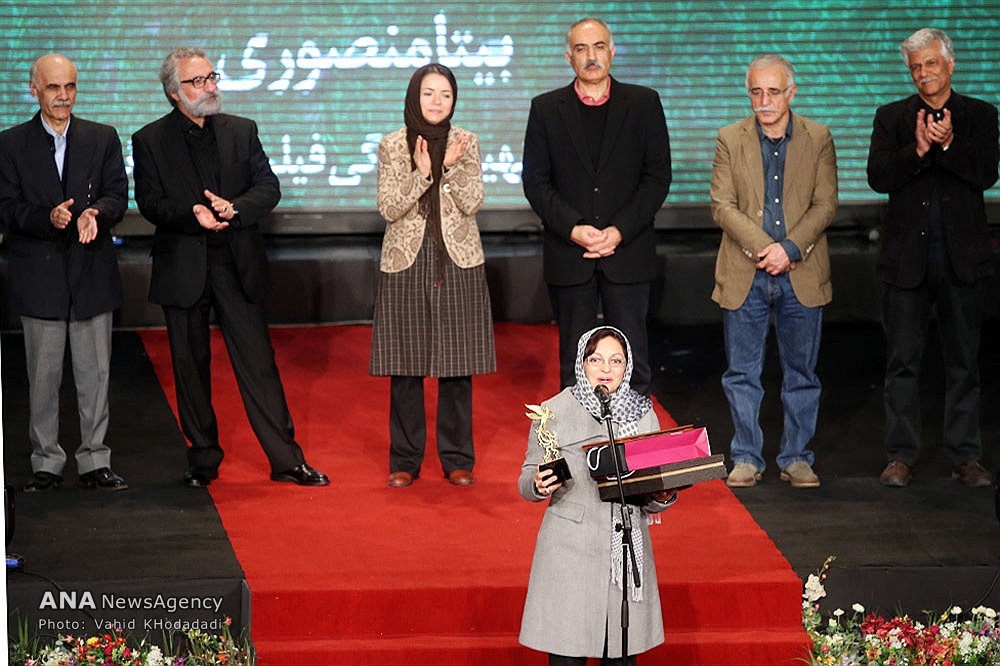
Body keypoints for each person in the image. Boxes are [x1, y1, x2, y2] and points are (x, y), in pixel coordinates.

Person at [131, 47, 328, 488]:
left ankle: (286, 459)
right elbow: (150, 202)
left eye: (211, 77)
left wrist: (235, 208)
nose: (210, 87)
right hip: (183, 263)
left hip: (236, 262)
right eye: (197, 81)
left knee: (258, 363)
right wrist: (193, 214)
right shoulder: (150, 140)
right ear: (174, 93)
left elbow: (269, 187)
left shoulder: (242, 130)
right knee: (190, 364)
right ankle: (203, 457)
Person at [867, 28, 999, 489]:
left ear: (951, 64)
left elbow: (985, 173)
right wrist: (919, 150)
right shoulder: (891, 117)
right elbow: (878, 177)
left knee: (964, 361)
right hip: (906, 261)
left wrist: (949, 144)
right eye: (916, 66)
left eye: (931, 63)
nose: (923, 73)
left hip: (962, 259)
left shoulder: (980, 115)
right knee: (902, 362)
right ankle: (901, 456)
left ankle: (965, 456)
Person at [522, 17, 672, 397]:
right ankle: (578, 436)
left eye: (599, 46)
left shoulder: (644, 103)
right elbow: (536, 182)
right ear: (568, 57)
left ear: (612, 51)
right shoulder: (545, 109)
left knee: (633, 362)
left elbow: (657, 178)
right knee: (575, 368)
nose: (591, 56)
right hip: (570, 254)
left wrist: (618, 231)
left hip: (629, 252)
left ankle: (631, 435)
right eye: (581, 49)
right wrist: (574, 228)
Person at [0, 54, 129, 491]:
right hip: (39, 277)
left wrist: (96, 213)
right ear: (34, 89)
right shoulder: (10, 144)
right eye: (54, 87)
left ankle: (95, 459)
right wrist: (47, 218)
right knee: (43, 378)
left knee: (96, 376)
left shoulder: (102, 137)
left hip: (91, 273)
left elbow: (117, 194)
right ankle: (47, 462)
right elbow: (5, 207)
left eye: (70, 86)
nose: (63, 96)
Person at [709, 54, 838, 489]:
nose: (764, 101)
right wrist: (769, 250)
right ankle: (746, 456)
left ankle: (797, 456)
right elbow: (722, 205)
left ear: (791, 93)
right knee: (742, 372)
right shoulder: (730, 138)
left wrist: (790, 249)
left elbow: (825, 204)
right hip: (746, 271)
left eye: (773, 92)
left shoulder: (818, 137)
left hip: (801, 270)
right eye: (756, 92)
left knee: (802, 373)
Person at [518, 326, 676, 665]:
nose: (606, 369)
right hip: (570, 550)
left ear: (627, 366)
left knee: (620, 655)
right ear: (582, 363)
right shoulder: (554, 410)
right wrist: (538, 484)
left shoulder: (642, 413)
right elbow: (527, 476)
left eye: (615, 361)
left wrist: (663, 494)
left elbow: (654, 488)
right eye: (596, 360)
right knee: (567, 655)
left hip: (625, 547)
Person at [371, 63, 496, 488]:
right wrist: (423, 173)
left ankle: (457, 458)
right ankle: (405, 459)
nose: (437, 102)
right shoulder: (392, 144)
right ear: (414, 96)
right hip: (406, 261)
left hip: (458, 261)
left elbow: (472, 202)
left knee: (457, 365)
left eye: (445, 94)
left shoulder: (467, 142)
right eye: (429, 93)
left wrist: (448, 167)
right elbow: (389, 207)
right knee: (405, 366)